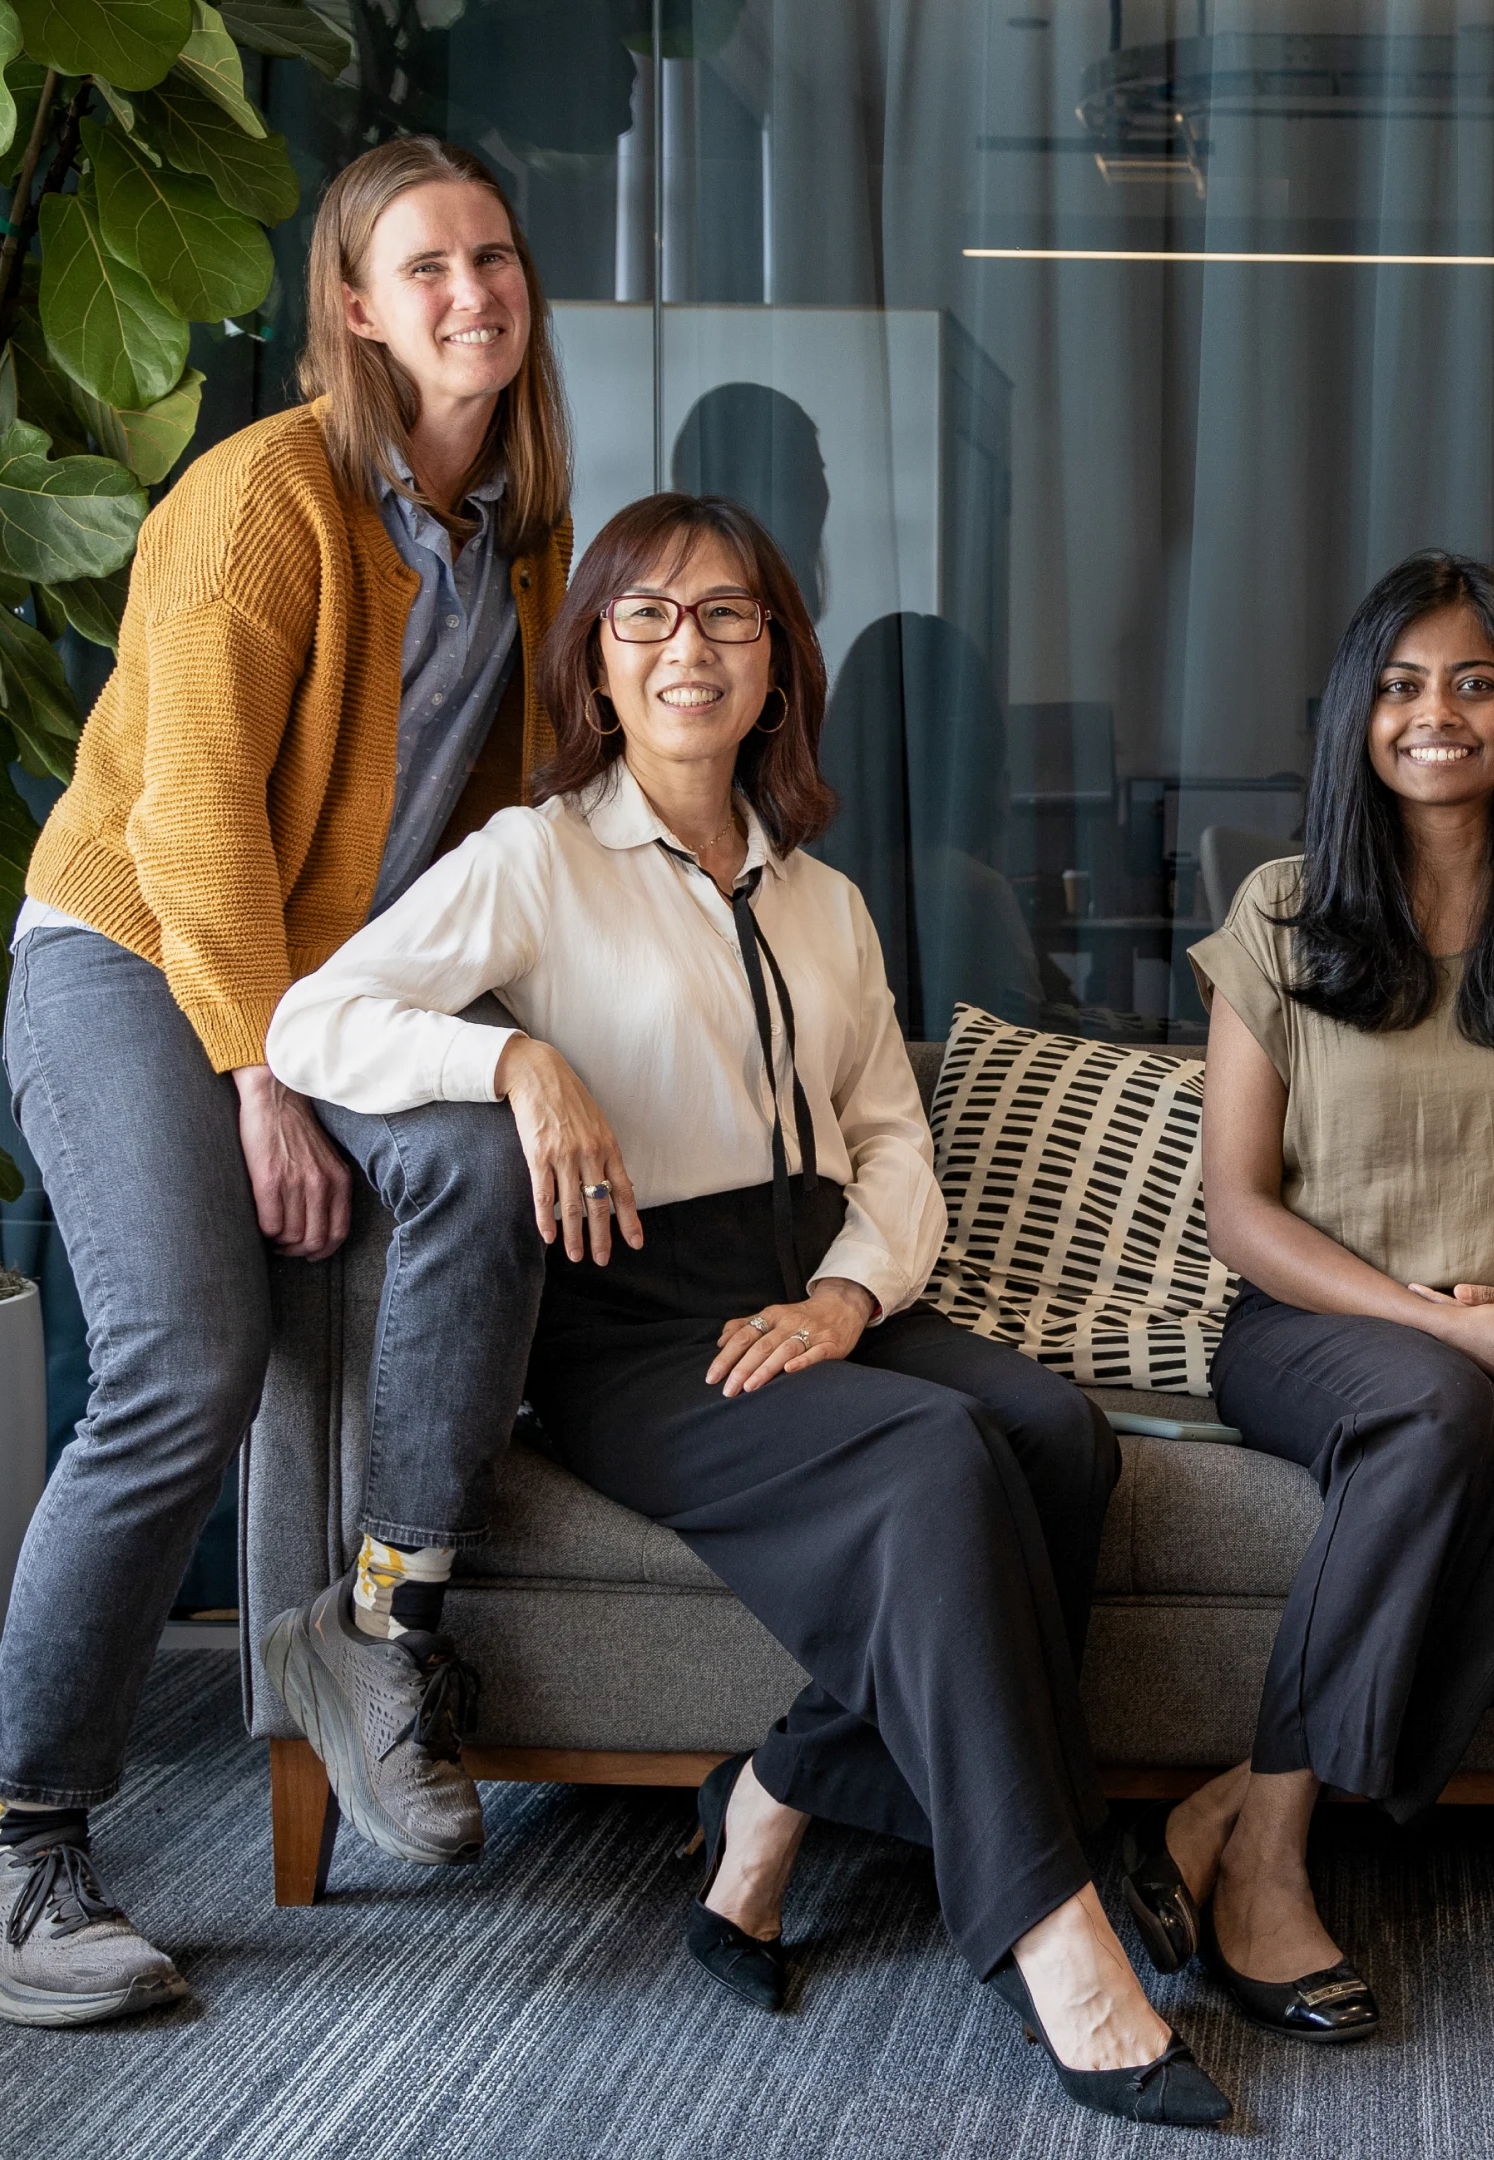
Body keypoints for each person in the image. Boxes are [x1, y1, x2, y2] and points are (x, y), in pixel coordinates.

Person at [263, 493, 1228, 2127]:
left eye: (727, 616)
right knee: (935, 1465)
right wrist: (509, 1058)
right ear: (600, 668)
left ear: (778, 663)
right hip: (640, 1326)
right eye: (644, 617)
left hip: (810, 1289)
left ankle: (778, 1796)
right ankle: (1052, 1935)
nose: (686, 646)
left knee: (1054, 1437)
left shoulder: (824, 900)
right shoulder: (534, 862)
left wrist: (853, 1294)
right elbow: (312, 1019)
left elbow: (892, 1148)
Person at [0, 138, 573, 2027]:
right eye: (426, 266)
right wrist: (260, 1084)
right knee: (186, 1362)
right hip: (134, 954)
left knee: (480, 1153)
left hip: (324, 985)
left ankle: (376, 1623)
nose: (473, 289)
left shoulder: (520, 537)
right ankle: (21, 1841)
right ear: (359, 309)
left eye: (496, 255)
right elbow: (203, 822)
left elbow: (495, 837)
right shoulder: (261, 499)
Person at [1123, 552, 1494, 2044]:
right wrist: (1443, 1324)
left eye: (1476, 681)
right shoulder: (1285, 909)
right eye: (1399, 683)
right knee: (1442, 1418)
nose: (1436, 713)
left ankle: (1235, 1801)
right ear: (1355, 718)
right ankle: (1275, 1865)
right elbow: (1236, 1205)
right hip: (1323, 1330)